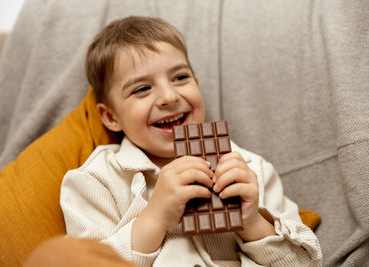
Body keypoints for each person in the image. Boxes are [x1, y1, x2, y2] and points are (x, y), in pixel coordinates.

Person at [60, 16, 322, 266]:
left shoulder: (250, 169)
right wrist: (154, 217)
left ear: (197, 84)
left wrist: (253, 222)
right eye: (141, 89)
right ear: (110, 117)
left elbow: (306, 262)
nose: (168, 96)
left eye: (180, 78)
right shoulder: (94, 181)